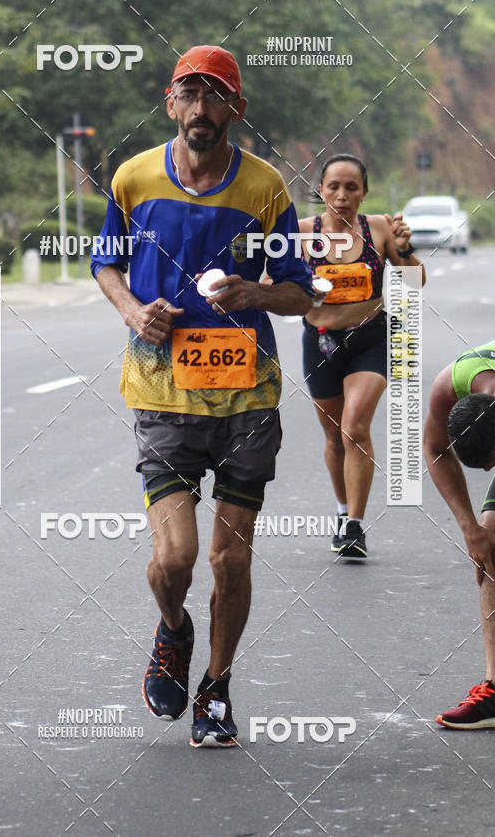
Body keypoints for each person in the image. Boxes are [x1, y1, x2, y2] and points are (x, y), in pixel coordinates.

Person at [91, 45, 314, 747]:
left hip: (247, 397)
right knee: (176, 560)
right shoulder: (133, 178)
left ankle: (216, 688)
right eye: (189, 94)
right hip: (162, 393)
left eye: (215, 97)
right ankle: (174, 630)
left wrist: (257, 293)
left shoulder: (265, 189)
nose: (200, 109)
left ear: (235, 110)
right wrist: (133, 311)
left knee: (231, 560)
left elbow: (304, 291)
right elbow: (106, 262)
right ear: (170, 103)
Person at [298, 154, 426, 559]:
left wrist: (404, 250)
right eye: (333, 186)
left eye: (351, 187)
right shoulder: (300, 234)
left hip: (371, 338)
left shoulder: (380, 229)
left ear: (364, 193)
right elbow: (270, 283)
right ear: (321, 190)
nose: (342, 195)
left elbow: (414, 281)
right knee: (334, 436)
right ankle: (341, 511)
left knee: (355, 427)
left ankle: (354, 525)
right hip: (320, 342)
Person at [424, 341, 495, 728]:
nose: (487, 474)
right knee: (490, 544)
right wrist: (470, 529)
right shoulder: (448, 386)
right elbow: (434, 450)